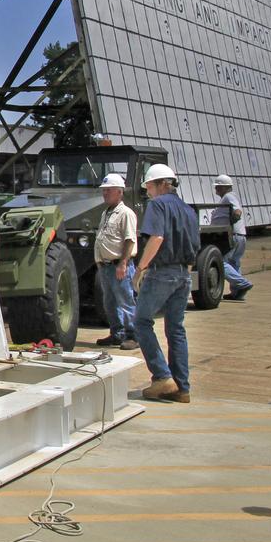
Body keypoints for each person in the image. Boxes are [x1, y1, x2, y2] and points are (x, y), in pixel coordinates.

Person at [132, 163, 199, 403]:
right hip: (183, 274)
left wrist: (140, 269)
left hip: (162, 272)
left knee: (140, 321)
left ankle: (162, 377)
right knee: (176, 329)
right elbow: (194, 246)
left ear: (161, 184)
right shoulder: (188, 210)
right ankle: (182, 388)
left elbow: (157, 237)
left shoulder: (157, 205)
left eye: (148, 186)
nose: (147, 191)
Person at [93, 173, 138, 351]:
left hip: (119, 266)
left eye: (108, 190)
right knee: (109, 302)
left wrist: (123, 263)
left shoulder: (126, 213)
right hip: (106, 266)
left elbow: (129, 240)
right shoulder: (106, 212)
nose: (105, 193)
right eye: (104, 190)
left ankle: (133, 336)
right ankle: (117, 333)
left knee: (126, 301)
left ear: (119, 192)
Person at [211, 174, 253, 300]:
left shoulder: (229, 196)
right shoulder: (228, 197)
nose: (216, 189)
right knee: (234, 263)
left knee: (220, 262)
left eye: (217, 187)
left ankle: (242, 283)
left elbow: (237, 210)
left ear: (224, 187)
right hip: (240, 235)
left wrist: (232, 222)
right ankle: (237, 292)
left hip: (232, 235)